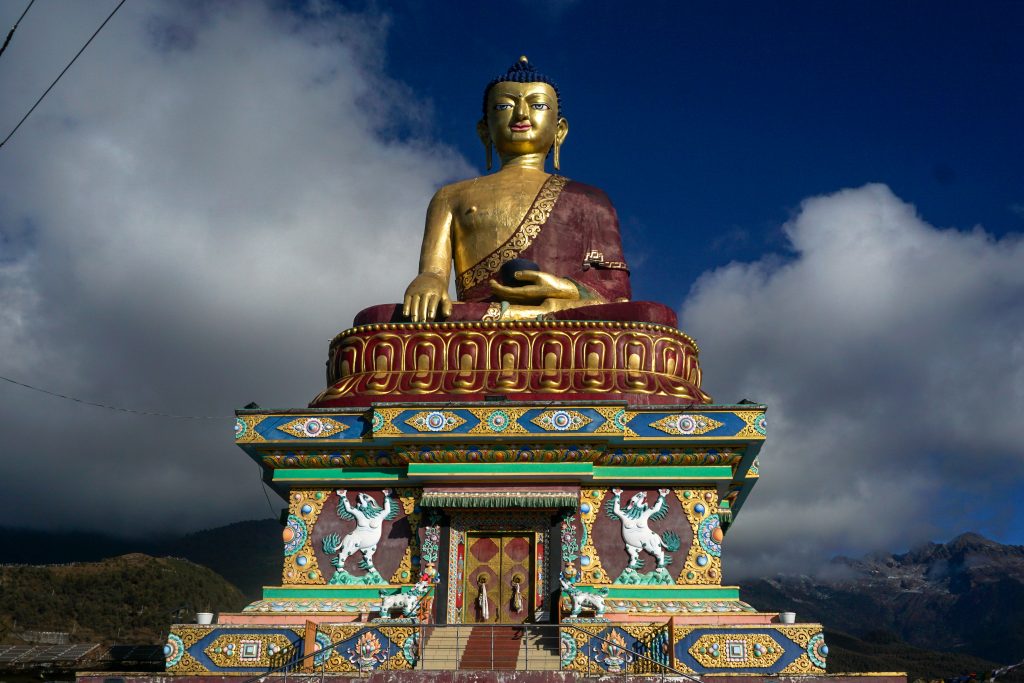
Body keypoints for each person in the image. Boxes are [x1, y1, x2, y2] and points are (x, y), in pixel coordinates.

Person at [353, 57, 675, 328]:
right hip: (476, 323)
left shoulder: (590, 199)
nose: (521, 115)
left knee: (652, 318)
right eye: (506, 105)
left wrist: (560, 288)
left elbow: (616, 291)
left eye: (537, 105)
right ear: (484, 130)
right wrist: (428, 283)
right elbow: (434, 273)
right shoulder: (451, 197)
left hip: (562, 317)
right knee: (375, 321)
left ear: (559, 130)